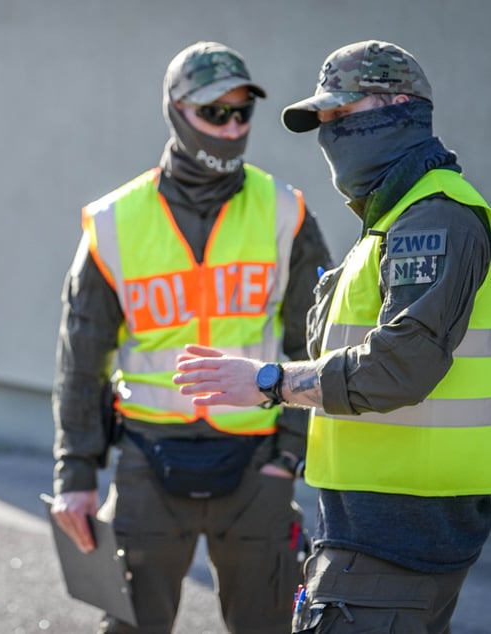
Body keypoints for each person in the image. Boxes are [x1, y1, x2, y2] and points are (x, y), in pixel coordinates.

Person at [174, 40, 491, 634]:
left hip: (400, 539)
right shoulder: (389, 223)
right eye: (322, 120)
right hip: (375, 529)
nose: (329, 132)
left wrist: (269, 382)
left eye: (343, 114)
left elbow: (401, 366)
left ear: (400, 105)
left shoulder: (434, 216)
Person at [50, 41, 332, 633]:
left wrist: (289, 453)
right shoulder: (114, 222)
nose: (232, 128)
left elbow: (315, 343)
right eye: (215, 113)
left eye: (241, 112)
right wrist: (74, 475)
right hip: (149, 462)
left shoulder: (287, 212)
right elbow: (82, 356)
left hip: (258, 464)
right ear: (176, 111)